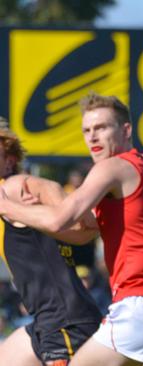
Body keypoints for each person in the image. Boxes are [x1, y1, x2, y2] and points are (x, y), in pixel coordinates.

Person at [0, 94, 143, 365]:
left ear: (125, 130)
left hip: (140, 303)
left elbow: (60, 220)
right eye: (87, 130)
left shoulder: (110, 168)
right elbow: (85, 226)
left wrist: (7, 207)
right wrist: (36, 213)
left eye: (101, 128)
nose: (92, 137)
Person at [0, 128, 102, 365]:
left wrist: (59, 206)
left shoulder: (16, 186)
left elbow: (81, 225)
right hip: (46, 321)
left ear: (9, 161)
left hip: (65, 324)